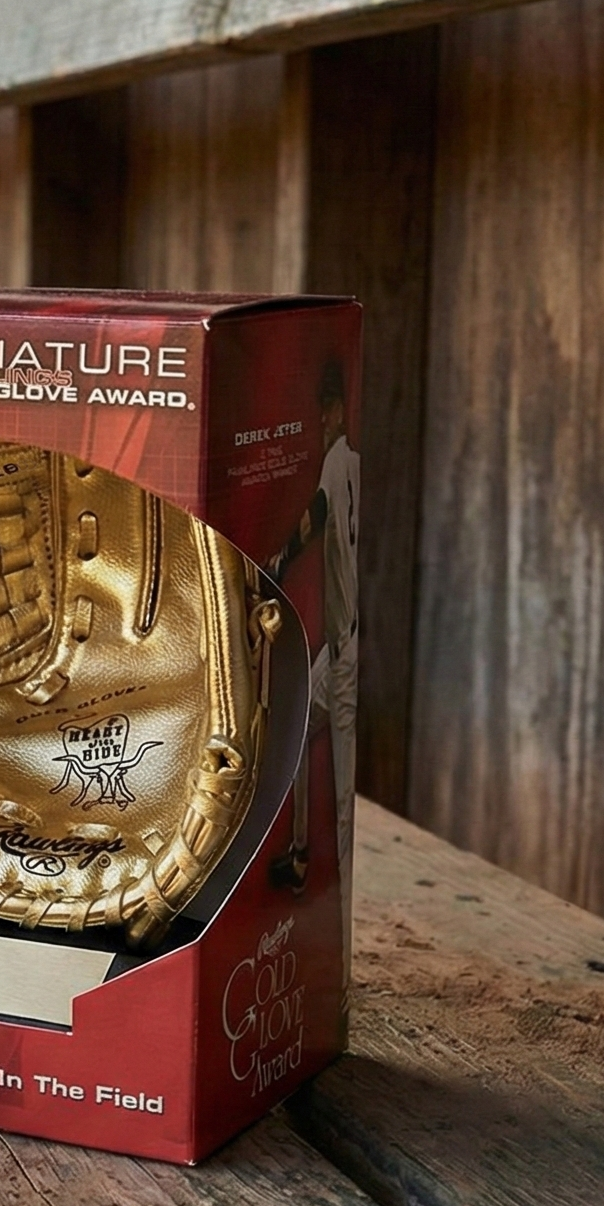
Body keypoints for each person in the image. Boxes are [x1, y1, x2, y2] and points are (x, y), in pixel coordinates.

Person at [265, 359, 358, 894]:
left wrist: (282, 558)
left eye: (328, 408)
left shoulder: (338, 457)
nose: (322, 419)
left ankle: (339, 901)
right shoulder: (354, 465)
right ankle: (300, 855)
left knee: (344, 800)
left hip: (348, 652)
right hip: (339, 649)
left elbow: (318, 511)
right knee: (298, 729)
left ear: (338, 410)